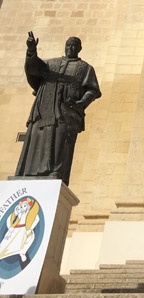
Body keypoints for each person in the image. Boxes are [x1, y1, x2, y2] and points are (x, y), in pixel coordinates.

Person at [15, 32, 101, 186]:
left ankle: (55, 171)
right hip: (44, 108)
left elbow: (92, 90)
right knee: (37, 137)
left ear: (79, 49)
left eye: (74, 46)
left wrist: (81, 102)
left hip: (66, 111)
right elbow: (33, 68)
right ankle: (27, 171)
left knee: (61, 139)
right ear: (65, 47)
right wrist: (31, 51)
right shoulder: (51, 64)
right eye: (69, 45)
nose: (71, 48)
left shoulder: (85, 68)